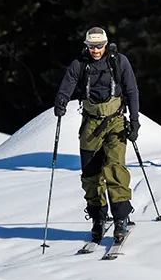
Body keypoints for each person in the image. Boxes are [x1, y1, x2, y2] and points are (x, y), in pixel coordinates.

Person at [53, 27, 140, 244]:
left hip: (116, 121)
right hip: (91, 124)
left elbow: (131, 91)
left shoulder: (119, 62)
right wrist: (61, 101)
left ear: (106, 44)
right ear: (86, 46)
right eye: (91, 46)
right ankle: (98, 218)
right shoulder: (79, 64)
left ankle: (121, 218)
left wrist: (135, 121)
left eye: (99, 46)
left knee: (114, 168)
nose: (96, 50)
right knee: (90, 175)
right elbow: (67, 84)